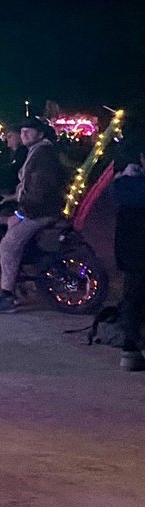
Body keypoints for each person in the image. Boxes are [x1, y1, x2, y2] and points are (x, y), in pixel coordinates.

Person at [0, 117, 65, 313]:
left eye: (30, 130)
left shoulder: (43, 154)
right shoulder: (36, 152)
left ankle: (7, 297)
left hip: (40, 212)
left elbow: (39, 192)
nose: (24, 133)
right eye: (22, 130)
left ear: (41, 134)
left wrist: (20, 214)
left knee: (8, 246)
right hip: (38, 208)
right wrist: (12, 197)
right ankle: (21, 283)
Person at [112, 137, 145, 371]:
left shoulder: (126, 187)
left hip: (134, 257)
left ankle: (130, 350)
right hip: (135, 256)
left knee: (133, 299)